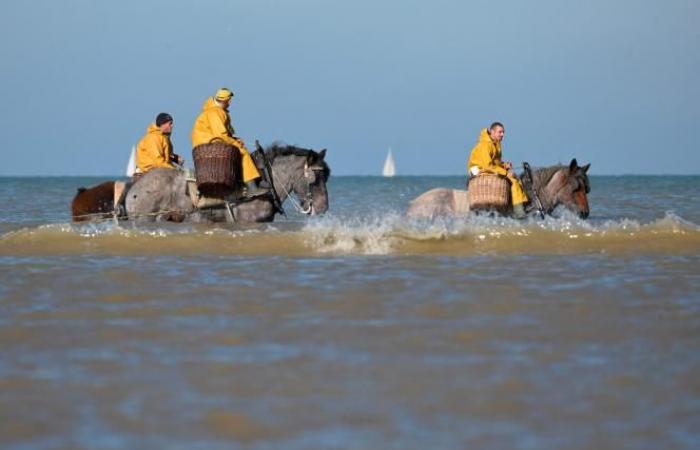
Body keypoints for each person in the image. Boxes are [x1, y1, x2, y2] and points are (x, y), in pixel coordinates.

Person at [191, 88, 267, 197]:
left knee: (237, 147)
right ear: (224, 100)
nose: (230, 102)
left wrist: (234, 139)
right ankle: (252, 187)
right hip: (209, 143)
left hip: (207, 142)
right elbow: (221, 135)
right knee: (242, 152)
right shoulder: (215, 112)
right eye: (229, 100)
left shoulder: (212, 111)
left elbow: (222, 134)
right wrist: (236, 143)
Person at [467, 122, 528, 218]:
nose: (502, 135)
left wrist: (504, 165)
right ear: (492, 132)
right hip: (477, 170)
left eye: (503, 132)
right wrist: (506, 173)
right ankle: (519, 212)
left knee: (513, 176)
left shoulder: (495, 144)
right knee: (512, 180)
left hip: (486, 168)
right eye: (500, 132)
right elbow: (487, 165)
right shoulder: (485, 145)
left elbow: (494, 163)